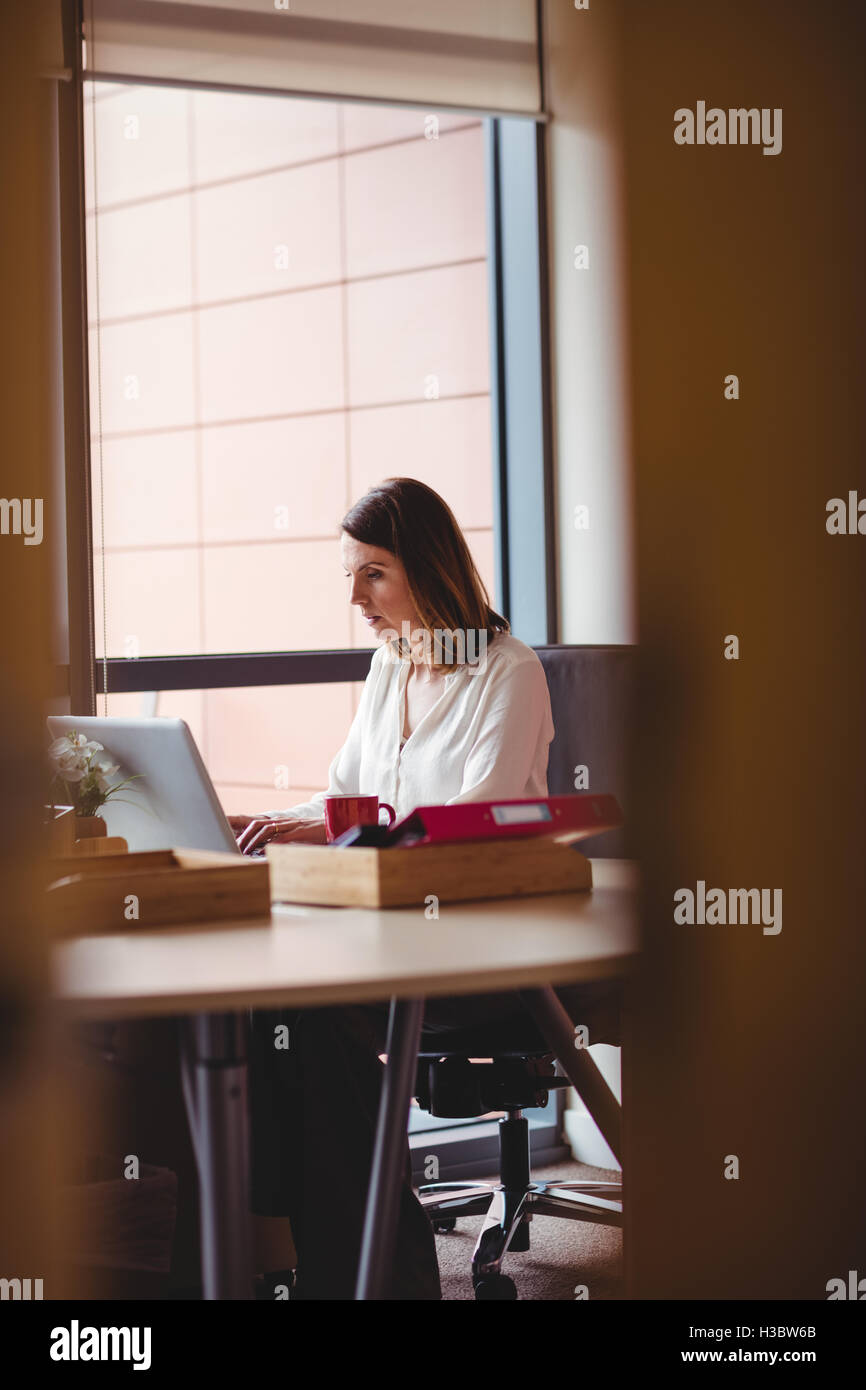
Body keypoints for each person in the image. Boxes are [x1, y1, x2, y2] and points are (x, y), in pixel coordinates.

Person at [230, 478, 621, 1300]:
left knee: (314, 1010)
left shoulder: (505, 674)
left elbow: (470, 823)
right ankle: (323, 1259)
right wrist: (285, 821)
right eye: (350, 574)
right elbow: (347, 793)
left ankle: (386, 1271)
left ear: (428, 568)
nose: (355, 597)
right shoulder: (387, 668)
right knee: (273, 1006)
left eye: (373, 573)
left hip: (488, 952)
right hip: (396, 936)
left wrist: (350, 831)